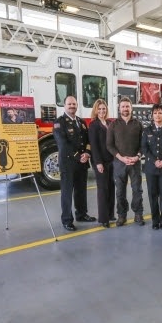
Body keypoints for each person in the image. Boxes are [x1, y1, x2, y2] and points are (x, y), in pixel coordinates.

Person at [53, 95, 96, 231]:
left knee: (81, 191)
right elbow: (63, 144)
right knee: (67, 192)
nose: (72, 106)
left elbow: (88, 140)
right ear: (64, 106)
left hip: (81, 163)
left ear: (77, 105)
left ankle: (81, 214)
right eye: (69, 104)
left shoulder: (81, 122)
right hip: (68, 163)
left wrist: (88, 153)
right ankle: (67, 220)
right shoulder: (59, 123)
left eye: (74, 104)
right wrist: (79, 156)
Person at [107, 97, 145, 227]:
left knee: (137, 190)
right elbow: (109, 145)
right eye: (123, 106)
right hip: (119, 163)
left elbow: (143, 144)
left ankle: (138, 214)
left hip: (135, 163)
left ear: (131, 108)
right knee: (120, 191)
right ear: (119, 108)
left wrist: (138, 156)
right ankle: (121, 215)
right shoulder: (113, 125)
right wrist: (121, 158)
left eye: (127, 106)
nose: (125, 109)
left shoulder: (138, 124)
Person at [88, 99, 116, 228]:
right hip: (100, 162)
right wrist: (98, 162)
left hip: (111, 161)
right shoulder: (94, 125)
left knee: (111, 187)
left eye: (103, 109)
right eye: (99, 109)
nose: (101, 111)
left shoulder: (110, 123)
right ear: (95, 110)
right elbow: (94, 146)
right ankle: (103, 218)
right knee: (103, 189)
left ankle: (110, 214)